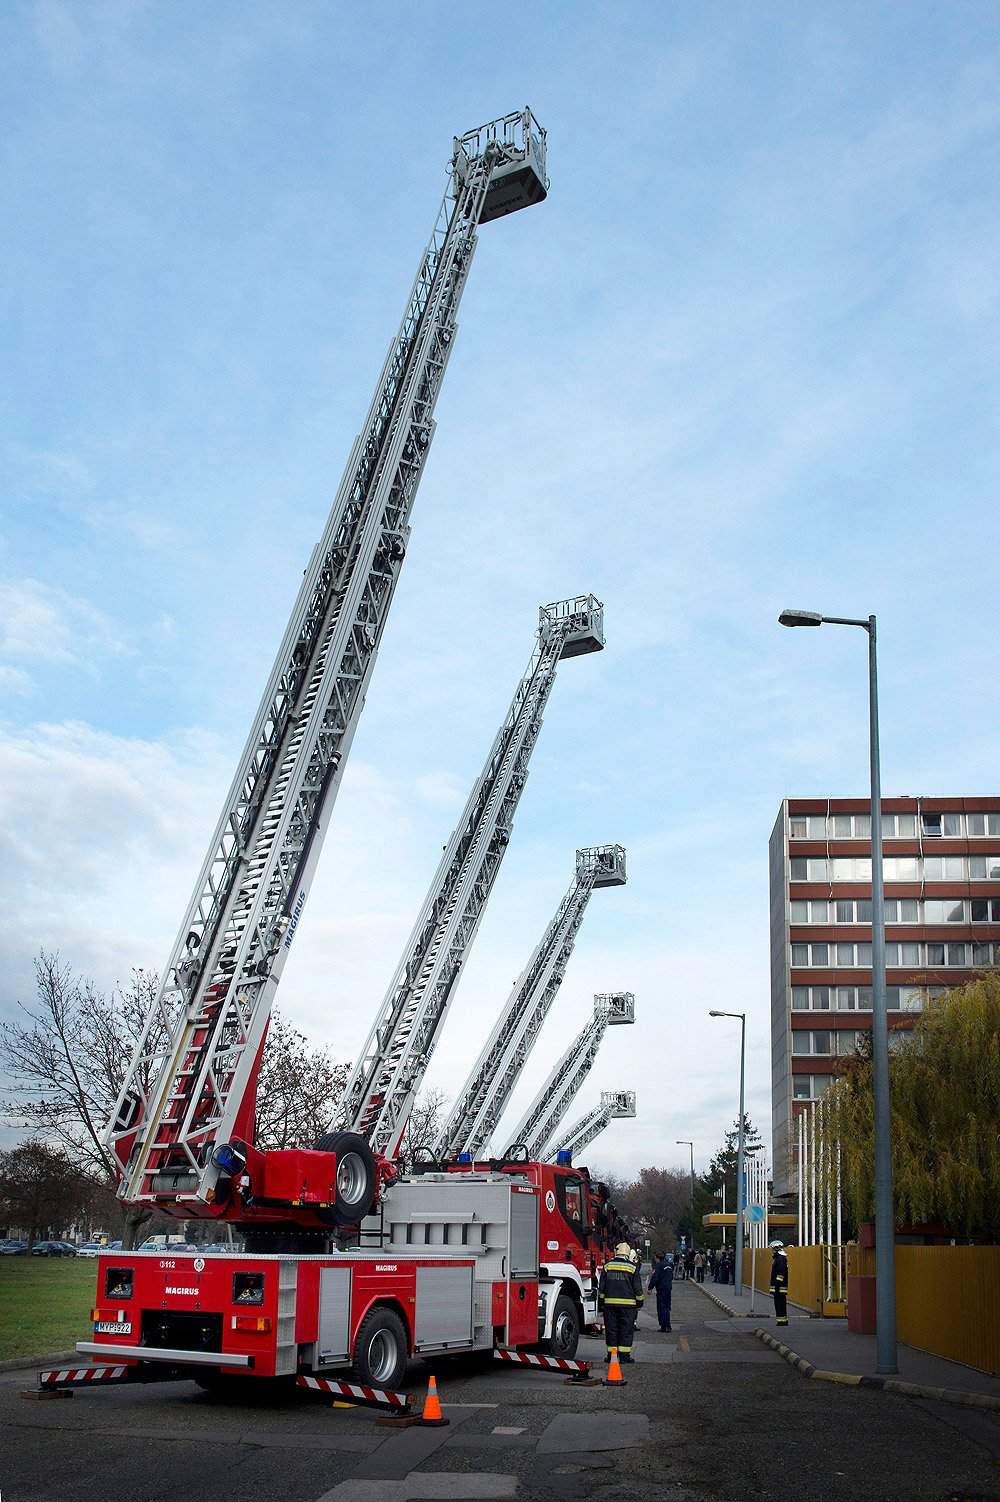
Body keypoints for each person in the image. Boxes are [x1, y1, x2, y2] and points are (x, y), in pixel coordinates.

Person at [598, 1240, 645, 1363]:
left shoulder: (607, 1266)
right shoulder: (632, 1267)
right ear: (628, 1253)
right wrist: (639, 1303)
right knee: (626, 1330)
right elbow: (638, 1289)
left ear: (616, 1252)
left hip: (610, 1305)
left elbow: (601, 1287)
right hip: (628, 1306)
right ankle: (624, 1356)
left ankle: (612, 1356)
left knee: (611, 1330)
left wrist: (601, 1302)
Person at [647, 1251, 674, 1332]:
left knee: (661, 1307)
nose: (655, 1260)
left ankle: (663, 1326)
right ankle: (668, 1325)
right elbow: (671, 1277)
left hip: (661, 1288)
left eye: (655, 1258)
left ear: (658, 1258)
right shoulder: (668, 1265)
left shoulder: (658, 1266)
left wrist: (650, 1288)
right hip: (668, 1288)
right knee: (667, 1307)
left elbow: (655, 1278)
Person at [769, 1239, 789, 1326]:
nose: (772, 1251)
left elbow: (780, 1273)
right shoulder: (779, 1258)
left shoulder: (780, 1259)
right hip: (779, 1287)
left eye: (773, 1249)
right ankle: (782, 1320)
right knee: (780, 1304)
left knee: (780, 1304)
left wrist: (777, 1284)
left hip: (779, 1287)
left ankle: (782, 1321)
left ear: (776, 1248)